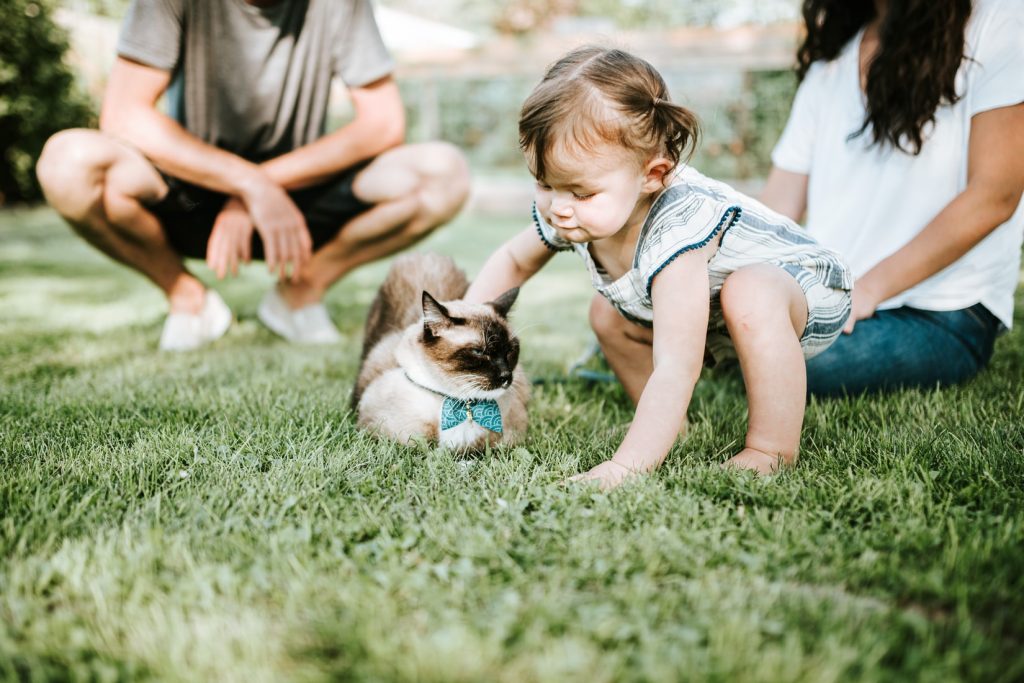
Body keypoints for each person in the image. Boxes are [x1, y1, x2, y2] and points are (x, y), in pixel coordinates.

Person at [465, 46, 854, 485]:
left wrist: (625, 467)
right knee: (606, 314)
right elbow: (514, 259)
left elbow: (677, 364)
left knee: (749, 294)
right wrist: (458, 324)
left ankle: (769, 448)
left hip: (805, 286)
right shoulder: (571, 206)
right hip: (718, 306)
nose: (558, 207)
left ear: (652, 175)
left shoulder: (678, 227)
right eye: (543, 183)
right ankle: (672, 430)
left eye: (580, 192)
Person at [36, 0, 470, 351]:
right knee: (68, 163)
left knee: (443, 174)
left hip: (301, 204)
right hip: (188, 193)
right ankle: (187, 299)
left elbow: (384, 124)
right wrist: (248, 184)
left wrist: (265, 184)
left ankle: (301, 289)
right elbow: (123, 113)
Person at [760, 0, 1024, 396]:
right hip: (830, 303)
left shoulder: (999, 23)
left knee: (779, 361)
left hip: (943, 312)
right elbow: (778, 206)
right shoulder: (829, 67)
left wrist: (867, 290)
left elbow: (995, 196)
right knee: (736, 334)